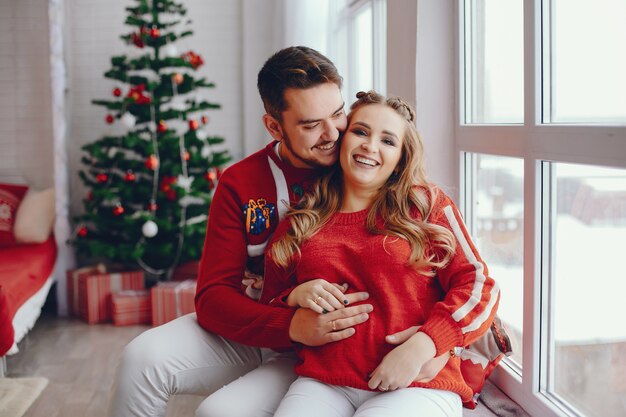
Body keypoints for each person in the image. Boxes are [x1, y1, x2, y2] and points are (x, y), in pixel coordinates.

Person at [109, 47, 444, 417]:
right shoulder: (241, 182)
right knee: (141, 357)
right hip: (269, 327)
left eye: (337, 114)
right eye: (310, 124)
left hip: (339, 344)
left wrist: (439, 344)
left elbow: (434, 255)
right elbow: (212, 296)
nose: (332, 134)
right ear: (274, 126)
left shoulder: (364, 164)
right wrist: (291, 325)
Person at [259, 91, 501, 417]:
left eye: (387, 140)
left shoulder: (425, 204)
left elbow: (480, 284)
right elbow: (269, 308)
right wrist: (294, 298)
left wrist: (425, 345)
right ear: (342, 140)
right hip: (324, 380)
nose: (370, 146)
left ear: (401, 156)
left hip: (417, 382)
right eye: (360, 131)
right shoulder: (300, 220)